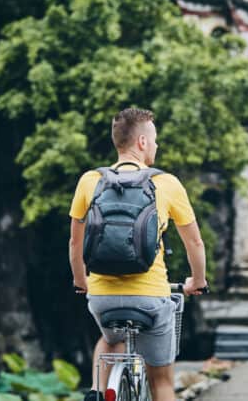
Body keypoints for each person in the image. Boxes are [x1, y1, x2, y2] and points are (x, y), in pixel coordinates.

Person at [68, 107, 208, 401]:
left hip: (102, 298)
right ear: (142, 142)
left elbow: (75, 244)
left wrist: (81, 281)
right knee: (162, 383)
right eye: (154, 139)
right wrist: (197, 280)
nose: (156, 145)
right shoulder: (166, 183)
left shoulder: (89, 180)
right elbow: (194, 243)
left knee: (110, 338)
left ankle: (97, 390)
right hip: (150, 298)